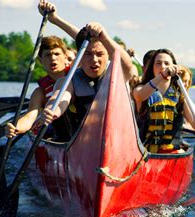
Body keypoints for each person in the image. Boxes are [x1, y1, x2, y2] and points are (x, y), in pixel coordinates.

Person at [38, 2, 136, 135]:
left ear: (108, 54)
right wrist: (52, 110)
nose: (94, 60)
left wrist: (104, 37)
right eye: (87, 54)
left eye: (100, 54)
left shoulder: (118, 72)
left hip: (121, 137)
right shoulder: (69, 81)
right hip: (86, 141)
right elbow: (60, 98)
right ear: (79, 55)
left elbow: (128, 65)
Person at [132, 49, 195, 154]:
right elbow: (140, 96)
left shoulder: (179, 94)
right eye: (158, 63)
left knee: (180, 151)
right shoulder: (140, 89)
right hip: (144, 153)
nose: (163, 66)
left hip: (171, 152)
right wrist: (162, 76)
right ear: (152, 68)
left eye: (167, 63)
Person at [5, 35, 70, 140]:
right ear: (40, 60)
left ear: (65, 57)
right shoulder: (40, 93)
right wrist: (15, 127)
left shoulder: (78, 76)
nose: (53, 58)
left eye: (57, 54)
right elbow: (29, 118)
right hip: (61, 138)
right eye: (48, 55)